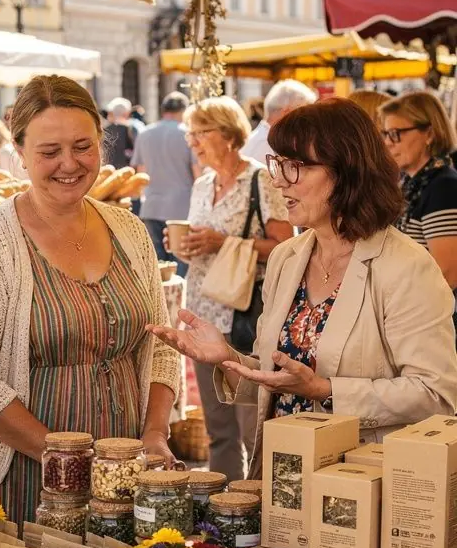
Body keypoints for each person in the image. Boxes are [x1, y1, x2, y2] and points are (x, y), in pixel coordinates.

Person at [151, 98, 457, 473]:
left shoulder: (406, 266)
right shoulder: (287, 257)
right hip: (280, 478)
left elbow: (436, 394)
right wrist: (227, 358)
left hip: (355, 482)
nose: (279, 180)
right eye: (278, 164)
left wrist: (325, 390)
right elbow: (278, 380)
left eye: (296, 167)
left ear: (347, 170)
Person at [0, 74, 181, 525]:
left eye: (83, 146)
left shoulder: (129, 231)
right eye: (49, 152)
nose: (69, 163)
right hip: (20, 476)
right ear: (19, 152)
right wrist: (62, 458)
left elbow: (163, 345)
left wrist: (154, 433)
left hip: (118, 479)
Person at [175, 96, 292, 480]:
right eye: (190, 133)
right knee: (216, 427)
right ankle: (219, 500)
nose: (193, 141)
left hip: (244, 316)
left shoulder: (260, 180)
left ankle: (254, 499)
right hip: (202, 313)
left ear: (227, 135)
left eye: (200, 132)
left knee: (249, 424)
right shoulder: (201, 184)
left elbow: (285, 245)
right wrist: (188, 245)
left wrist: (222, 242)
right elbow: (202, 242)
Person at [379, 91, 457, 307]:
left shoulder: (443, 186)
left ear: (429, 133)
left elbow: (447, 273)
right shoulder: (410, 183)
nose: (388, 143)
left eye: (395, 134)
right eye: (385, 134)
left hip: (426, 313)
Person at [130, 91, 193, 261]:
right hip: (182, 208)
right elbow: (197, 173)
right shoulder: (188, 134)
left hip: (151, 205)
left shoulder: (144, 133)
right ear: (184, 111)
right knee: (181, 265)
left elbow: (140, 174)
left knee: (157, 267)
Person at [243, 79, 317, 164]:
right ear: (287, 112)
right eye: (303, 115)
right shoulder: (265, 145)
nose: (306, 122)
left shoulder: (263, 139)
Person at [101, 97, 136, 168]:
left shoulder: (105, 129)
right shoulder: (130, 128)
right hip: (125, 168)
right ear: (126, 113)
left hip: (109, 167)